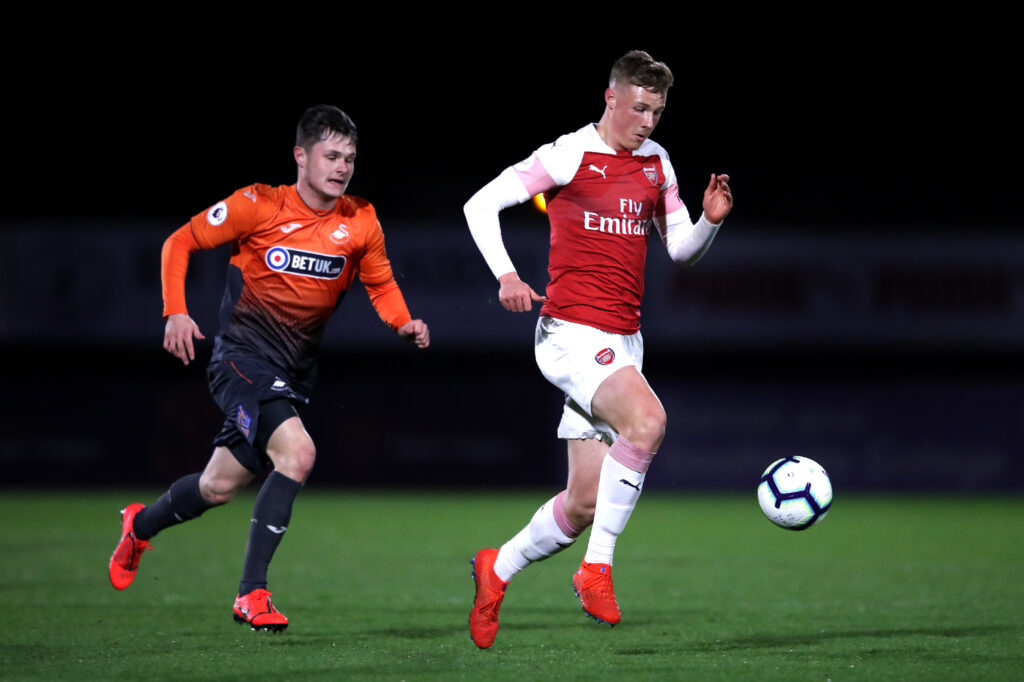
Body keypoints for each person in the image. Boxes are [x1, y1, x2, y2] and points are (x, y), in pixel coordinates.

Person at [108, 104, 429, 632]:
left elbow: (381, 284)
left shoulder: (360, 219)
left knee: (216, 487)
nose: (342, 166)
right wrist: (175, 311)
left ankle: (138, 526)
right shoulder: (257, 205)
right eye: (331, 155)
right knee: (298, 454)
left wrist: (402, 322)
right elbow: (179, 242)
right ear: (300, 156)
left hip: (294, 375)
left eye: (349, 157)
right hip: (241, 360)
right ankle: (251, 593)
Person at [463, 50, 732, 648]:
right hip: (570, 334)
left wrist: (710, 222)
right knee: (649, 421)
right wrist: (506, 275)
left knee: (583, 502)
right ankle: (597, 569)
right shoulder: (568, 154)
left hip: (623, 341)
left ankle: (496, 568)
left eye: (657, 111)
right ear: (610, 98)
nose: (647, 121)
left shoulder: (657, 165)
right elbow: (478, 205)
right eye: (638, 107)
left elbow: (680, 250)